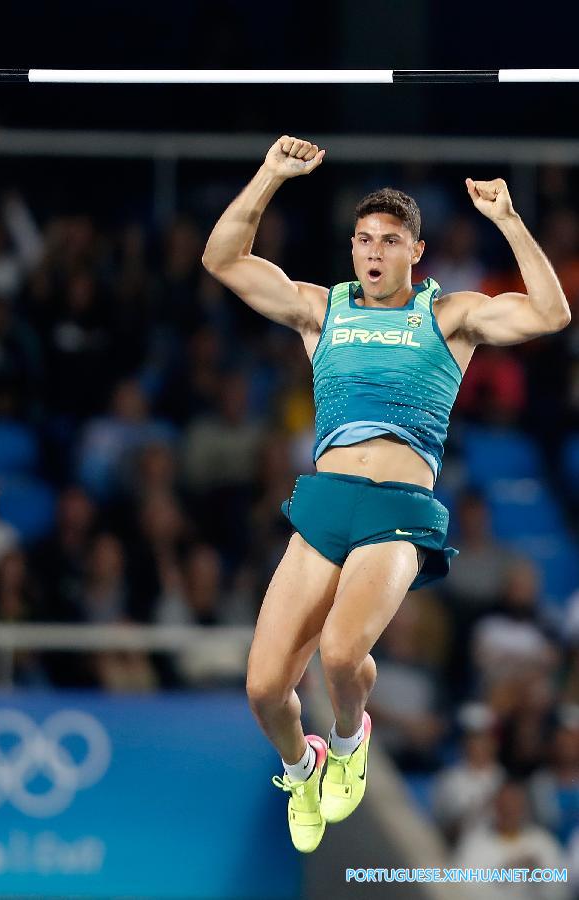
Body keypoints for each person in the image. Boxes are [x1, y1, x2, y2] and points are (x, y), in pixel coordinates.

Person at [202, 135, 571, 854]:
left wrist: (507, 219)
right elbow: (221, 260)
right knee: (263, 688)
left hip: (396, 513)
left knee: (341, 654)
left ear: (415, 252)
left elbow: (549, 315)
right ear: (351, 248)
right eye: (363, 239)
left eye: (389, 240)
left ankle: (346, 744)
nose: (373, 251)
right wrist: (270, 174)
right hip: (325, 503)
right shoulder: (320, 310)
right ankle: (299, 765)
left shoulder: (449, 316)